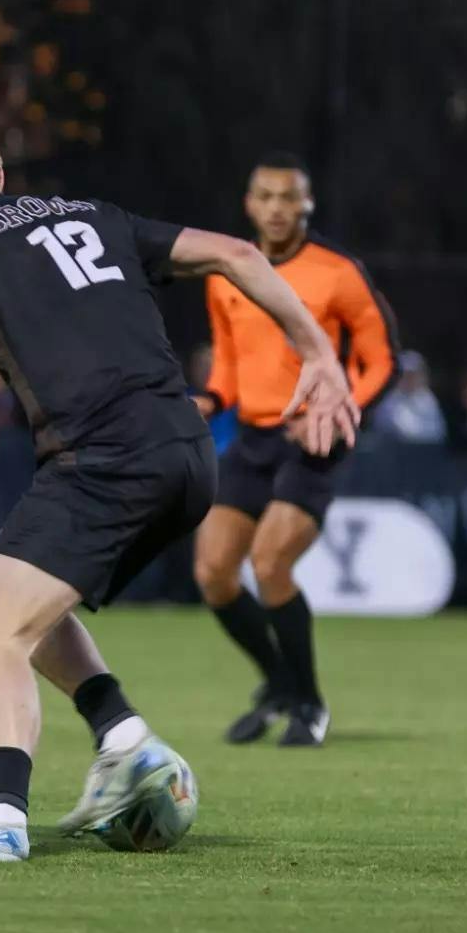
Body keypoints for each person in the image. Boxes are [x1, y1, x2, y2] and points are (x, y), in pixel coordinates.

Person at [0, 107, 356, 863]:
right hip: (187, 454)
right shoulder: (93, 214)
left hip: (105, 459)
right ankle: (124, 738)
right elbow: (234, 253)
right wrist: (318, 352)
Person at [191, 153, 396, 749]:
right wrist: (210, 399)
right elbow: (230, 362)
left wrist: (338, 409)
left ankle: (309, 702)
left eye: (288, 197)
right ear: (249, 204)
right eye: (266, 196)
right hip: (253, 437)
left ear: (307, 204)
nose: (277, 208)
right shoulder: (226, 272)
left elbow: (383, 360)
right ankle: (279, 683)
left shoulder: (338, 272)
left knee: (271, 562)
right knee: (212, 573)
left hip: (314, 441)